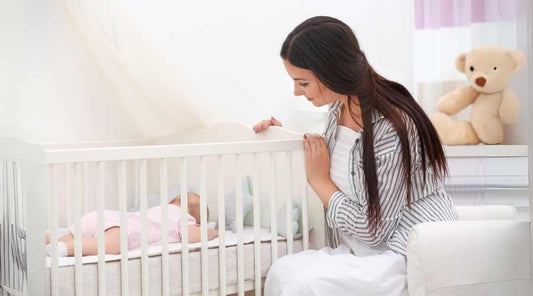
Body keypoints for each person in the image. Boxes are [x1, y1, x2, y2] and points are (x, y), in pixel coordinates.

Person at [254, 16, 458, 295]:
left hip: (405, 253)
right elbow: (337, 160)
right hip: (361, 251)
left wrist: (321, 183)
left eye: (303, 83)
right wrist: (283, 138)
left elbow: (375, 231)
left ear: (330, 72)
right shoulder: (339, 111)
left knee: (305, 285)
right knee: (282, 271)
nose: (296, 92)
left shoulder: (392, 126)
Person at [45, 192, 218, 257]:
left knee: (75, 236)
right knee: (110, 245)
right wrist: (211, 232)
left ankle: (45, 240)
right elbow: (193, 236)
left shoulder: (160, 210)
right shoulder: (182, 216)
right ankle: (65, 249)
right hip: (120, 227)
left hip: (103, 217)